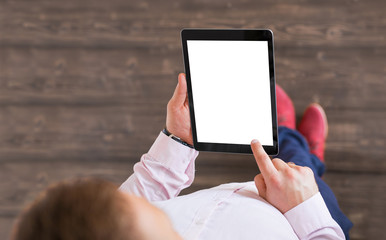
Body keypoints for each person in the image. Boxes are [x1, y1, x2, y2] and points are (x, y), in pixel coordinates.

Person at [12, 73, 352, 240]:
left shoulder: (112, 228)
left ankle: (293, 141)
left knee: (285, 157)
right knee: (299, 165)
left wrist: (179, 140)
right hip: (306, 214)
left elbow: (137, 198)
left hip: (263, 190)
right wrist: (305, 209)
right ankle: (301, 146)